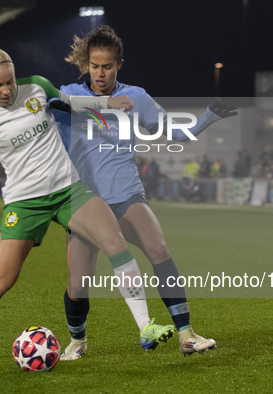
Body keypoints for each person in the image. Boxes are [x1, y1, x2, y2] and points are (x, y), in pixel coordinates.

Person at [0, 44, 175, 364]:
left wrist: (106, 101)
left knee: (115, 241)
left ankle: (145, 327)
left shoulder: (37, 86)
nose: (7, 90)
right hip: (25, 204)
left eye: (10, 81)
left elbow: (71, 103)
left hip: (68, 190)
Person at [53, 25, 237, 360]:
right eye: (94, 65)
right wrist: (105, 102)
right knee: (78, 286)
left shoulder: (136, 97)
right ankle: (77, 342)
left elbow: (176, 134)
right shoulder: (68, 95)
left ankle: (186, 333)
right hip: (83, 202)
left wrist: (207, 117)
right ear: (86, 64)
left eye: (107, 66)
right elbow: (50, 102)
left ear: (119, 64)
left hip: (125, 194)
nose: (100, 72)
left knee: (159, 250)